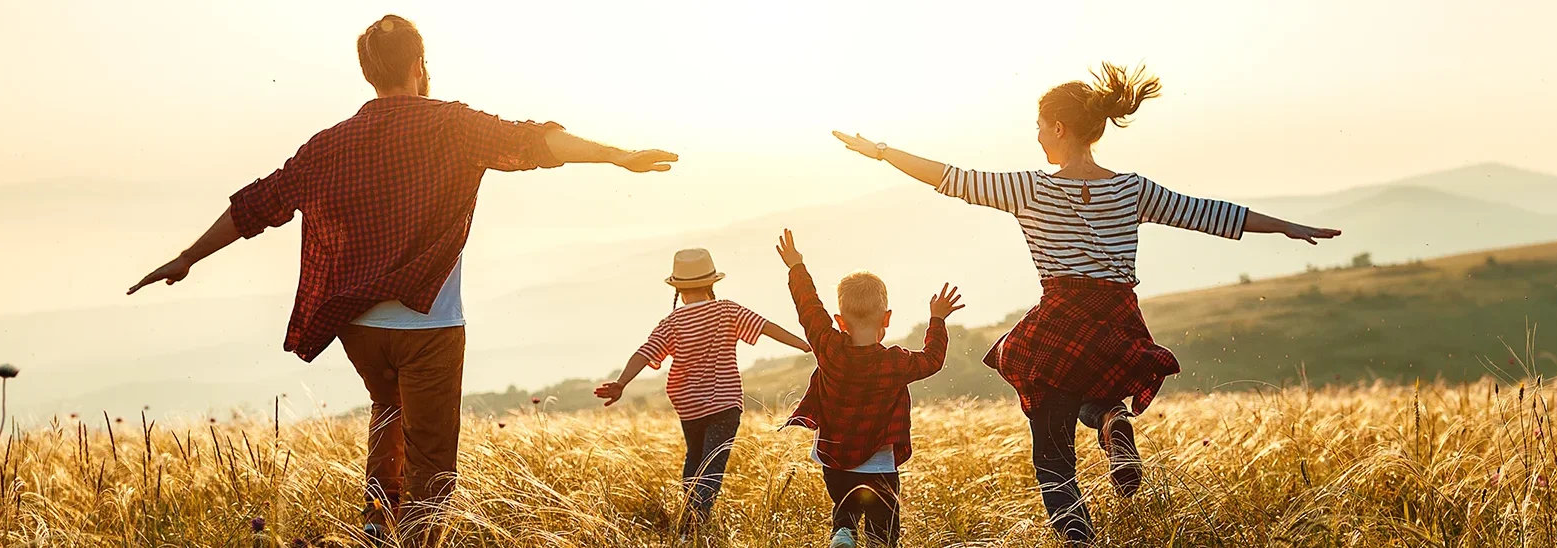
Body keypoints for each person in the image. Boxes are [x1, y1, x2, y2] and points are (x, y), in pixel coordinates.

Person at [125, 14, 678, 545]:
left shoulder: (329, 144)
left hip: (358, 329)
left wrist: (187, 256)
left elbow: (258, 204)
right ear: (419, 63)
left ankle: (375, 528)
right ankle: (411, 542)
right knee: (432, 462)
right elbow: (535, 142)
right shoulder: (452, 125)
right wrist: (617, 157)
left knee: (387, 414)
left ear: (368, 72)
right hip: (429, 326)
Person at [830, 61, 1340, 545]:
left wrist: (881, 152)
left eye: (1037, 126)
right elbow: (1207, 213)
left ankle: (1079, 538)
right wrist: (1285, 226)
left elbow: (950, 178)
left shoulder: (1030, 189)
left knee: (1052, 457)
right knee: (1097, 387)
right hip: (1117, 317)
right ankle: (1113, 421)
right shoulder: (1132, 189)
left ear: (1058, 128)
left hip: (1061, 317)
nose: (1034, 136)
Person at [593, 248, 811, 538]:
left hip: (689, 407)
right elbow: (765, 327)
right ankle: (692, 527)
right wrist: (805, 344)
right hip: (725, 404)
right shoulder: (727, 310)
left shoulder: (671, 323)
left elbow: (644, 354)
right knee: (711, 468)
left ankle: (687, 524)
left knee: (694, 461)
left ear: (679, 289)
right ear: (711, 283)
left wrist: (621, 383)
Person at [773, 229, 957, 548]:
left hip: (834, 459)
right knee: (882, 532)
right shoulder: (896, 363)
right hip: (880, 465)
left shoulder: (829, 347)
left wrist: (796, 267)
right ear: (886, 319)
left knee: (845, 505)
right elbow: (933, 359)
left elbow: (809, 309)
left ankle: (843, 531)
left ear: (839, 321)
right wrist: (937, 319)